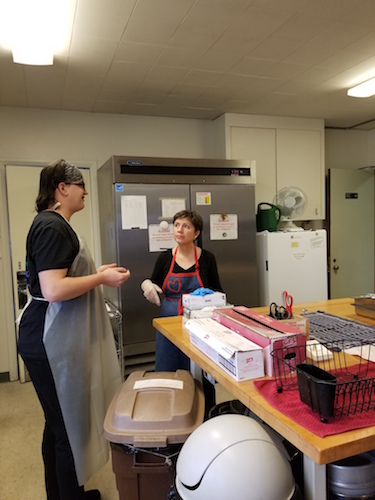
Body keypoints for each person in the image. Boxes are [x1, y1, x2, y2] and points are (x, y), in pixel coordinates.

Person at [17, 159, 131, 500]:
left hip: (50, 336)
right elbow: (53, 289)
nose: (85, 191)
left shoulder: (54, 224)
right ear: (61, 189)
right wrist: (101, 278)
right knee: (66, 427)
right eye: (80, 185)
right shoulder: (52, 226)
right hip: (48, 339)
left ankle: (63, 494)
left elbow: (62, 275)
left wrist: (96, 270)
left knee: (57, 424)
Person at [141, 209, 223, 372]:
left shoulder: (207, 258)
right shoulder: (165, 258)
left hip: (199, 324)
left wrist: (209, 299)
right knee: (168, 369)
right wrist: (146, 285)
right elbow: (153, 282)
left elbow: (217, 290)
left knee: (198, 370)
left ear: (196, 233)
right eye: (177, 225)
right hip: (169, 323)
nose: (179, 229)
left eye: (186, 226)